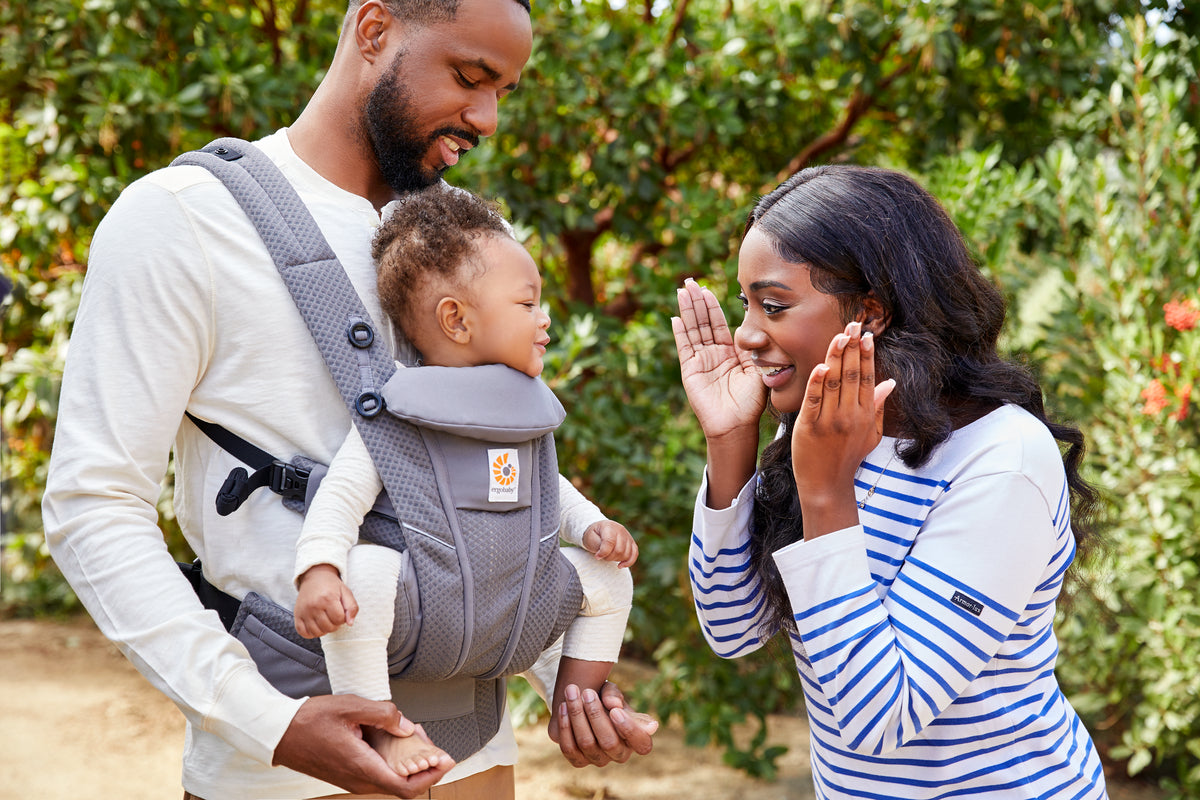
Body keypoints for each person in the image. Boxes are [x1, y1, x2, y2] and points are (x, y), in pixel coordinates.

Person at [41, 1, 656, 799]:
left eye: (505, 89)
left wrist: (569, 683)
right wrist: (270, 724)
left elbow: (493, 497)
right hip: (290, 768)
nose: (489, 118)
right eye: (471, 77)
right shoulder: (182, 219)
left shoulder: (465, 241)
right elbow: (93, 505)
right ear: (374, 32)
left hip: (479, 755)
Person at [672, 165, 1108, 799]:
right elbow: (732, 628)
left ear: (869, 313)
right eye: (746, 305)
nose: (746, 334)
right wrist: (729, 442)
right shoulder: (824, 432)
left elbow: (882, 718)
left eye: (773, 305)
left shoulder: (1001, 459)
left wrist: (827, 495)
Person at [291, 185, 638, 776]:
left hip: (511, 603)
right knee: (366, 574)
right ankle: (382, 724)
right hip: (424, 606)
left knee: (610, 575)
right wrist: (319, 570)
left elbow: (549, 492)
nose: (546, 318)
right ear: (455, 318)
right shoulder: (401, 410)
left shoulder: (525, 412)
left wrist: (593, 525)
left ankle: (575, 704)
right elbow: (342, 494)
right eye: (527, 304)